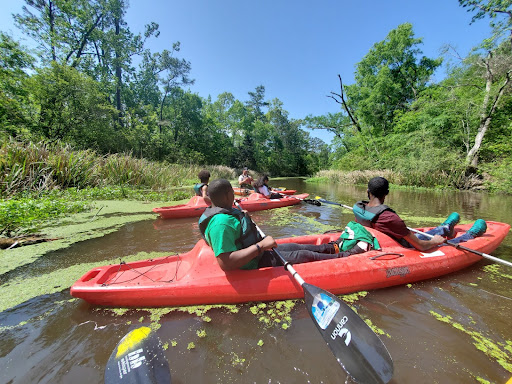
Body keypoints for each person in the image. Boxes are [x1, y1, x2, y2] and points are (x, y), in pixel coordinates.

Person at [198, 179, 373, 271]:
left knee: (298, 246)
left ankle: (334, 248)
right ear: (229, 194)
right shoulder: (221, 224)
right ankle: (348, 258)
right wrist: (260, 246)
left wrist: (242, 217)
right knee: (304, 255)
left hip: (258, 252)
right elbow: (225, 263)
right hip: (254, 262)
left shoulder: (224, 212)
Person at [353, 176, 487, 251]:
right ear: (386, 193)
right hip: (403, 245)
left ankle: (445, 228)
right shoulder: (390, 218)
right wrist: (435, 242)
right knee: (433, 241)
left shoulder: (358, 208)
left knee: (421, 235)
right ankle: (470, 235)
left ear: (367, 191)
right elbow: (421, 246)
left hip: (392, 239)